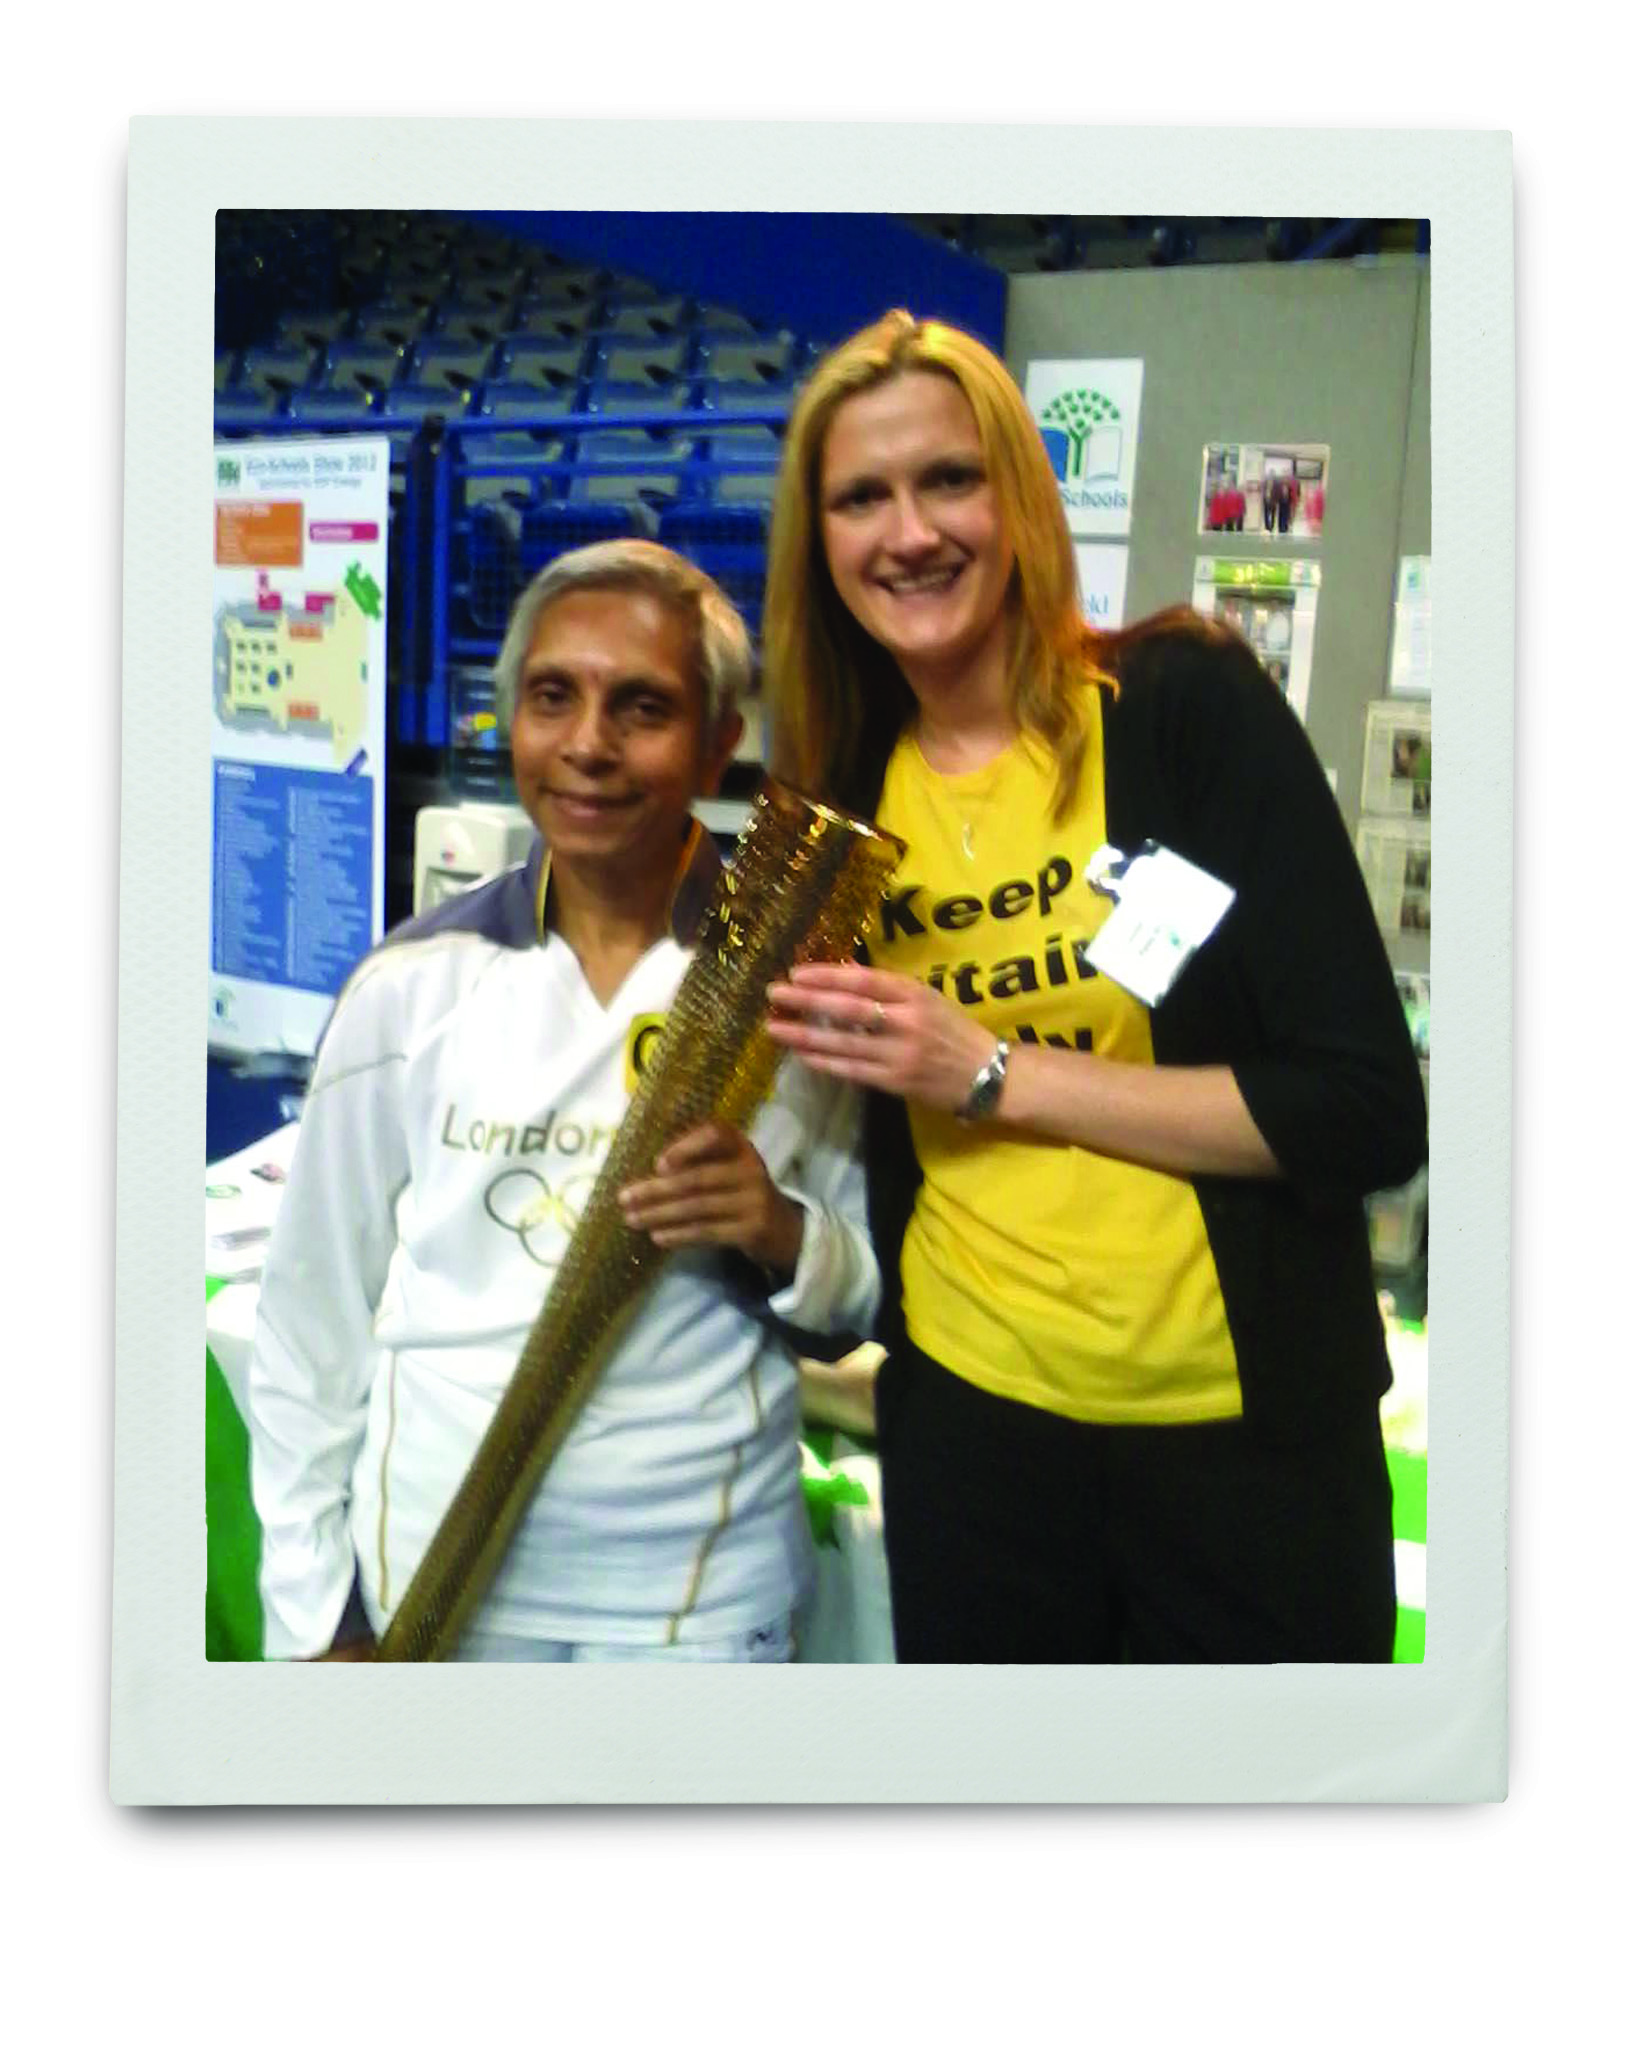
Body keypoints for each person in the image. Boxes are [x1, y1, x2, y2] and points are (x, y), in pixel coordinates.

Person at [760, 310, 1428, 1664]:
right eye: (860, 497)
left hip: (1242, 1450)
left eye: (949, 478)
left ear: (1019, 496)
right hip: (974, 1440)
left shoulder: (1180, 710)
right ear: (817, 541)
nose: (909, 532)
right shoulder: (831, 804)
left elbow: (1363, 1107)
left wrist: (994, 1073)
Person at [244, 540, 878, 1663]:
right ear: (511, 722)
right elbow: (309, 1326)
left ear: (720, 741)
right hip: (439, 1578)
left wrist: (777, 1229)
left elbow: (866, 1293)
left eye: (643, 706)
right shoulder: (409, 986)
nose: (588, 744)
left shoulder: (798, 985)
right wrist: (315, 1613)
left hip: (697, 1599)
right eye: (552, 698)